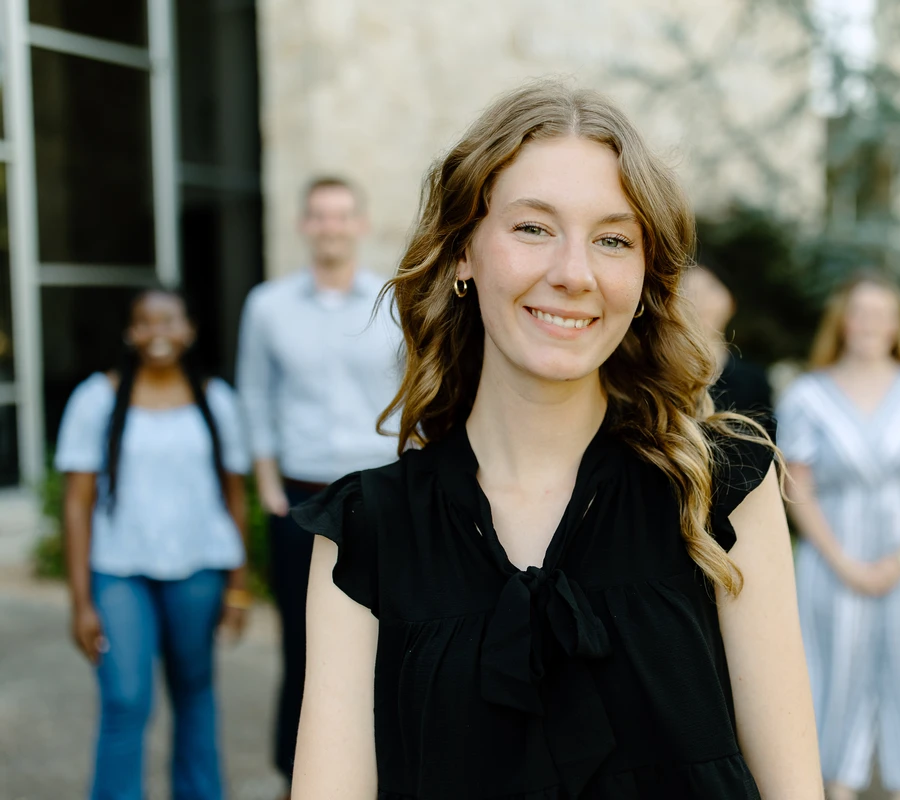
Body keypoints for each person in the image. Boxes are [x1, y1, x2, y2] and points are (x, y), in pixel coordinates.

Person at [287, 82, 824, 799]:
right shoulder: (365, 533)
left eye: (612, 239)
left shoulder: (721, 491)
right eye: (534, 228)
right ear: (462, 257)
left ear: (642, 280)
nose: (574, 274)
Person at [776, 272, 900, 800]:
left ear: (898, 325)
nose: (870, 323)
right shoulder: (807, 395)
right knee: (835, 675)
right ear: (842, 321)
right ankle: (836, 787)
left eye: (881, 314)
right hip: (832, 561)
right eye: (859, 312)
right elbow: (799, 489)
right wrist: (845, 564)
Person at [235, 176, 402, 791]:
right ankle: (297, 774)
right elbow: (253, 394)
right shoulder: (268, 305)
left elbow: (419, 390)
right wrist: (267, 483)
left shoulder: (393, 298)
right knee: (304, 646)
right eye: (319, 216)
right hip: (301, 497)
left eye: (341, 216)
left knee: (392, 636)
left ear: (359, 224)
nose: (331, 227)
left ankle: (384, 767)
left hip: (381, 491)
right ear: (304, 225)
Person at [58, 288, 251, 800]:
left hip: (199, 570)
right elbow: (77, 504)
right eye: (145, 323)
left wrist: (238, 588)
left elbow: (235, 499)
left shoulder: (217, 401)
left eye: (169, 321)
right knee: (125, 699)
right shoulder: (94, 400)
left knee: (195, 694)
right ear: (130, 333)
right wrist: (80, 602)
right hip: (120, 571)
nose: (157, 332)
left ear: (189, 331)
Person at [681, 252, 777, 440]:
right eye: (688, 291)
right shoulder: (656, 375)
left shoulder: (753, 380)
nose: (700, 302)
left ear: (731, 301)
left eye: (710, 289)